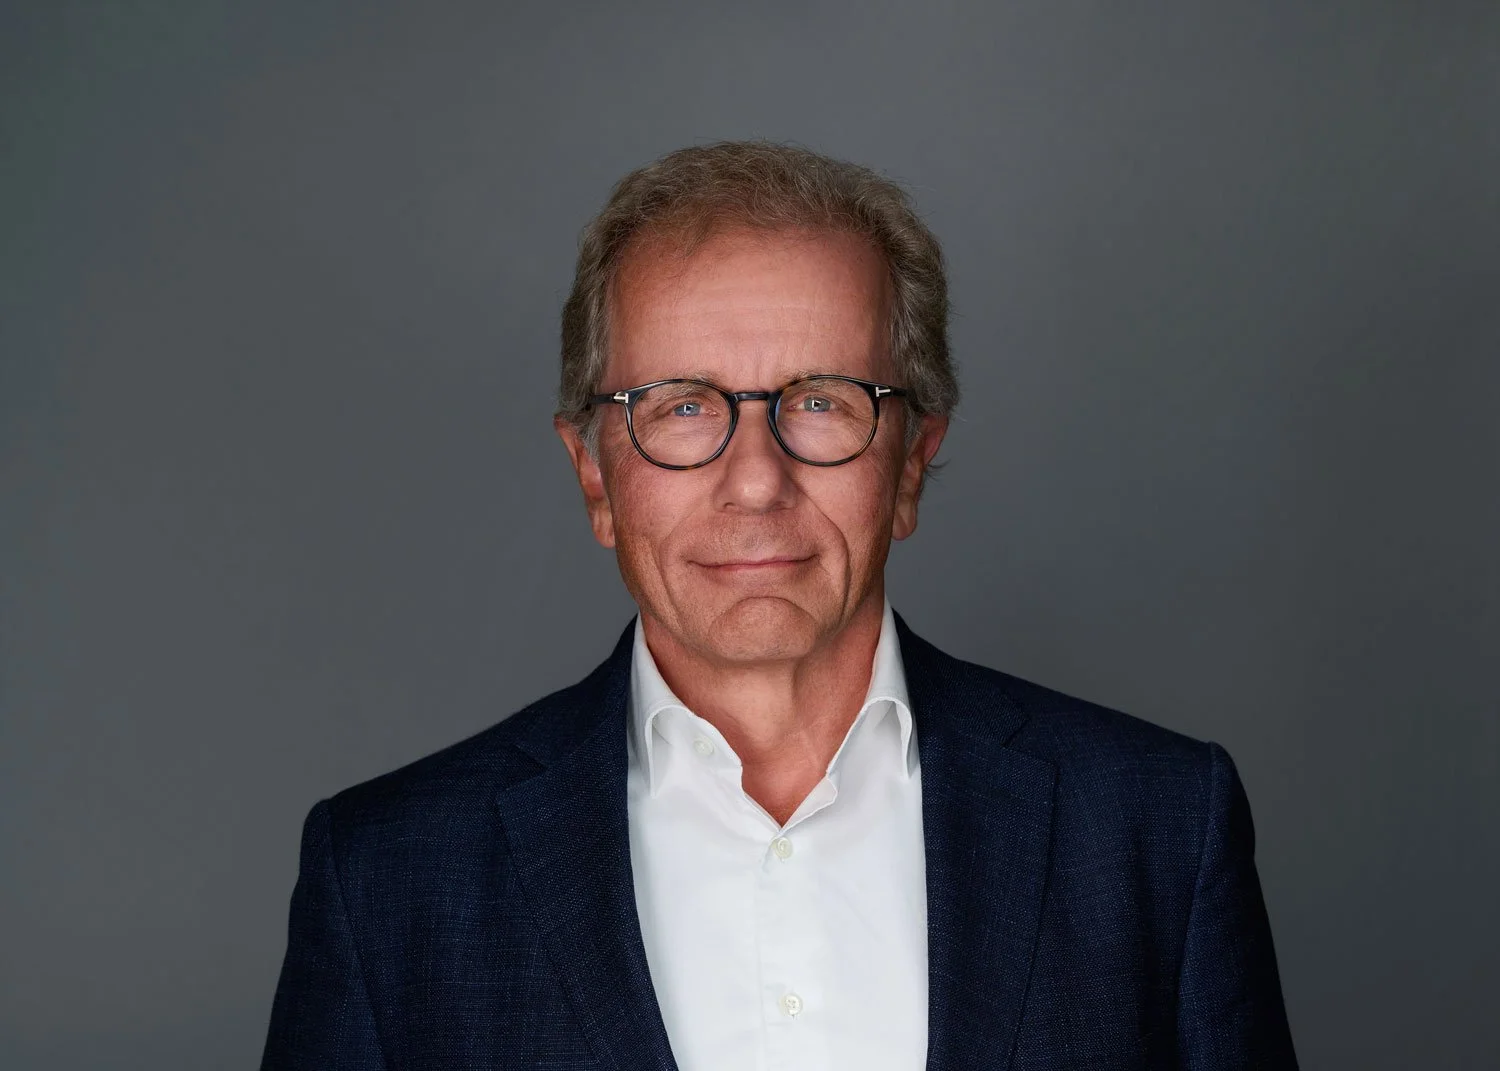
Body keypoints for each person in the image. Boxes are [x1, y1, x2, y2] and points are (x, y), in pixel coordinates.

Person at [261, 141, 1298, 1070]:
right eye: (679, 407)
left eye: (821, 402)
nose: (755, 481)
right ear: (593, 478)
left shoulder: (1158, 829)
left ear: (910, 467)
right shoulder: (388, 879)